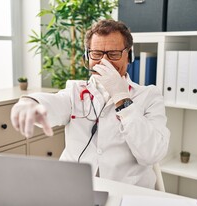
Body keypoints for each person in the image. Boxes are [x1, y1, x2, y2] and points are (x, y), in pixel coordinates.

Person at [11, 19, 170, 189]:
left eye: (114, 53)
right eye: (96, 53)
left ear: (128, 55)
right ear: (88, 55)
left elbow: (152, 154)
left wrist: (122, 98)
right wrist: (30, 102)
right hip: (74, 190)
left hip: (127, 192)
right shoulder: (75, 91)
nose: (104, 61)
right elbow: (54, 103)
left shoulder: (149, 96)